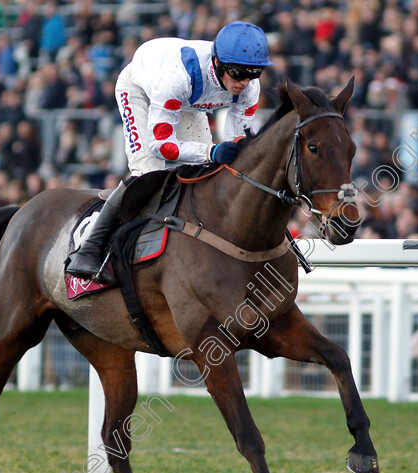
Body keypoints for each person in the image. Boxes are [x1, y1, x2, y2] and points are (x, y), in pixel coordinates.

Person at [66, 21, 272, 284]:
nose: (244, 82)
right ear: (218, 62)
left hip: (190, 103)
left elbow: (237, 141)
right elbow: (161, 145)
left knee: (203, 172)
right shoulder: (177, 78)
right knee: (150, 172)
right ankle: (90, 249)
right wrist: (211, 151)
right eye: (237, 72)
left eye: (252, 74)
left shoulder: (249, 87)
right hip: (142, 90)